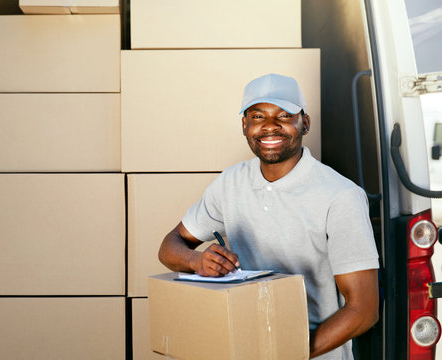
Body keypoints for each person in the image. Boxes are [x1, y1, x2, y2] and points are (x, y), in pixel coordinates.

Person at [158, 73, 380, 359]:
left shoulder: (339, 196)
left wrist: (286, 352)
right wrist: (196, 260)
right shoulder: (230, 182)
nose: (270, 127)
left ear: (305, 123)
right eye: (258, 116)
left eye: (285, 115)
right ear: (245, 126)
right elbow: (169, 246)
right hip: (241, 347)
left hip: (309, 353)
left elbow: (364, 310)